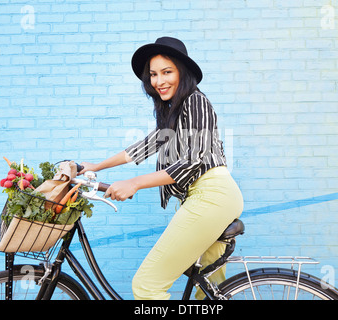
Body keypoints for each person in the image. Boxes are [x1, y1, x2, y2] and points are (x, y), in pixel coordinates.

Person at [79, 37, 243, 300]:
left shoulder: (195, 102)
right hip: (207, 198)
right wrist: (95, 166)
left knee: (147, 286)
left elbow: (193, 160)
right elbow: (142, 147)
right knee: (207, 293)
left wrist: (135, 183)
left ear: (183, 73)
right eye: (153, 75)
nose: (159, 81)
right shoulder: (174, 113)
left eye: (167, 72)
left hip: (213, 196)